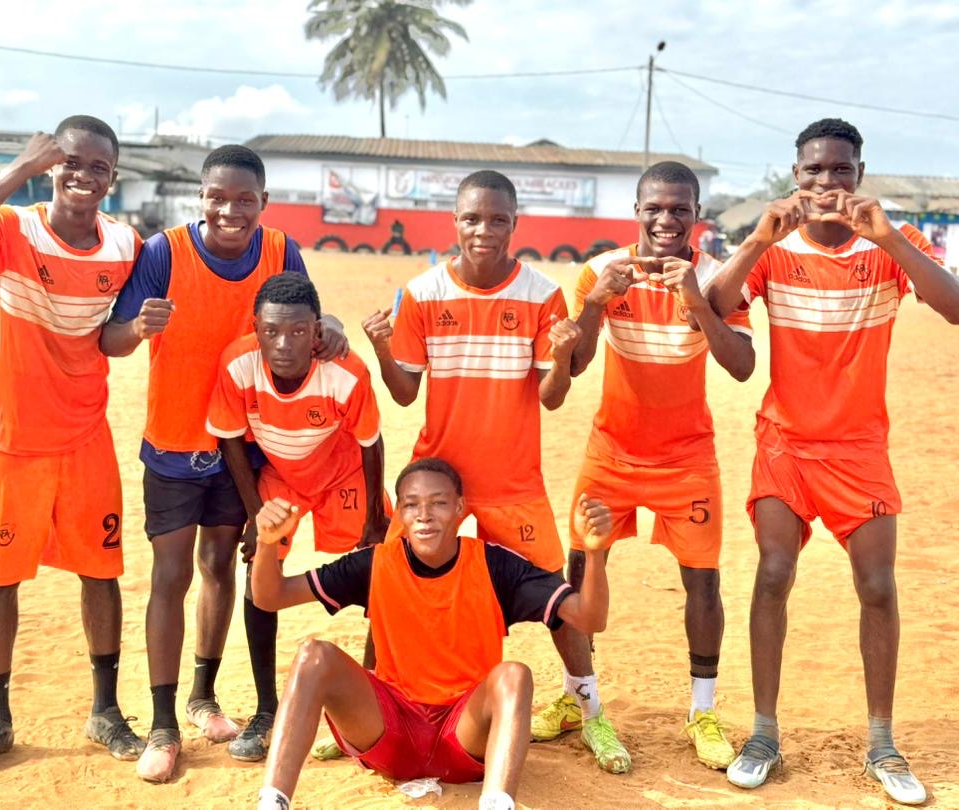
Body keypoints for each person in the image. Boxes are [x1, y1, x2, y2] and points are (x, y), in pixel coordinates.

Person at [706, 118, 959, 805]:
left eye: (840, 169)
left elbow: (954, 307)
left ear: (859, 175)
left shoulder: (888, 244)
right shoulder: (774, 247)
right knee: (774, 573)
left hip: (858, 448)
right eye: (814, 170)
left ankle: (882, 742)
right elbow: (716, 305)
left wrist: (891, 240)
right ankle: (763, 733)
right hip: (785, 444)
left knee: (877, 587)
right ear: (796, 176)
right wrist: (756, 239)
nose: (826, 182)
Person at [100, 145, 348, 781]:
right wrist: (138, 329)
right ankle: (162, 724)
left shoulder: (280, 250)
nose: (230, 210)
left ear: (264, 203)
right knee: (171, 575)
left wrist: (334, 324)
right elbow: (111, 338)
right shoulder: (165, 252)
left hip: (243, 447)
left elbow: (306, 315)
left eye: (244, 200)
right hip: (175, 442)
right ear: (201, 198)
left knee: (220, 566)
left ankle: (203, 697)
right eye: (217, 197)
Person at [360, 170, 607, 767]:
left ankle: (591, 711)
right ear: (455, 221)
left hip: (512, 482)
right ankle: (371, 710)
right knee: (389, 584)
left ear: (515, 224)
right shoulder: (422, 293)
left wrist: (561, 357)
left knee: (559, 598)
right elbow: (403, 393)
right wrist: (382, 347)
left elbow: (551, 398)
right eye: (472, 218)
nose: (484, 231)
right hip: (436, 484)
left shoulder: (542, 294)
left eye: (498, 220)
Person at [0, 116, 144, 774]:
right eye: (70, 161)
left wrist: (137, 330)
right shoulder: (13, 228)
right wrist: (17, 169)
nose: (84, 175)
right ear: (51, 165)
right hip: (16, 441)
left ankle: (105, 711)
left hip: (86, 438)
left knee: (101, 573)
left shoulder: (125, 245)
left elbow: (112, 339)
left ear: (113, 177)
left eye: (99, 167)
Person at [539, 161, 755, 773]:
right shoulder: (601, 271)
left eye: (680, 209)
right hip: (610, 452)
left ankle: (702, 712)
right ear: (636, 211)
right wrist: (596, 303)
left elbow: (742, 366)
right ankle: (578, 699)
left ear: (697, 215)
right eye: (654, 208)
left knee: (702, 582)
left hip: (687, 458)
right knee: (579, 572)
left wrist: (697, 303)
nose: (666, 220)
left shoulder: (716, 277)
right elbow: (576, 363)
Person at [250, 458, 613, 810]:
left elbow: (588, 618)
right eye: (411, 505)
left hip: (464, 736)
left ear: (460, 508)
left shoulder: (494, 565)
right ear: (400, 514)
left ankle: (497, 802)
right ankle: (273, 801)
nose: (424, 515)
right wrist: (268, 543)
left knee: (515, 675)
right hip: (390, 734)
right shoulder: (377, 563)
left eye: (438, 503)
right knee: (314, 655)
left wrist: (594, 554)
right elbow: (270, 596)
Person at [204, 271, 391, 711]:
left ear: (317, 331)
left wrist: (374, 518)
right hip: (282, 477)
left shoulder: (346, 372)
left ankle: (377, 693)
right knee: (261, 571)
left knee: (386, 565)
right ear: (256, 329)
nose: (284, 344)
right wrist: (257, 517)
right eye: (271, 331)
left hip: (342, 473)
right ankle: (266, 708)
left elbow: (371, 443)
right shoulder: (238, 364)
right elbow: (229, 440)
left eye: (298, 331)